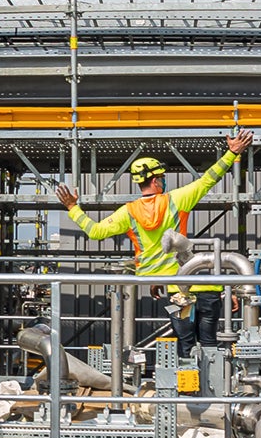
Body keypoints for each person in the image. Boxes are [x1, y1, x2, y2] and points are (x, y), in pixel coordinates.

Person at [61, 131, 249, 355]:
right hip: (202, 286)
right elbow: (209, 179)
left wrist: (73, 208)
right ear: (155, 180)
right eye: (161, 177)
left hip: (176, 290)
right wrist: (231, 153)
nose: (163, 180)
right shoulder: (176, 199)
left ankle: (187, 387)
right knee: (209, 345)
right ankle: (214, 387)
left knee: (186, 347)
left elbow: (95, 231)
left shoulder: (128, 212)